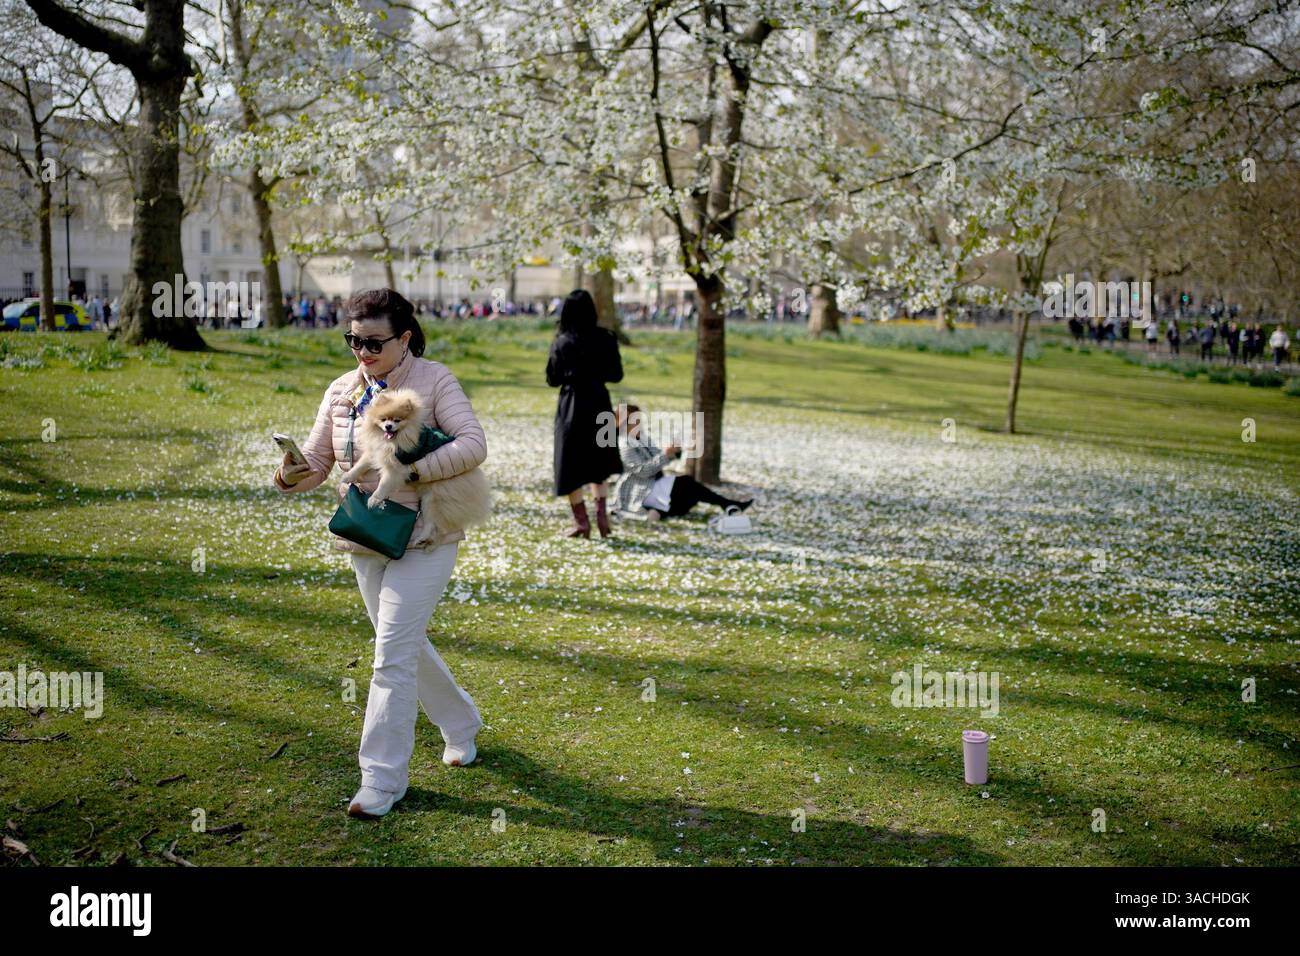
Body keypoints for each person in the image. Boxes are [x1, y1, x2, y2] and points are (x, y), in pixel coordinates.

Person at [271, 288, 486, 819]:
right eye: (353, 341)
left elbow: (473, 445)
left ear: (404, 338)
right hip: (367, 535)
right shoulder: (342, 390)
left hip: (426, 535)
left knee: (390, 652)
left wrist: (410, 472)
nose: (361, 353)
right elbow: (320, 463)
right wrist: (289, 474)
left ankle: (381, 780)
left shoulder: (434, 381)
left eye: (372, 343)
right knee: (403, 644)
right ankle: (461, 723)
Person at [546, 289, 624, 538]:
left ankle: (582, 522)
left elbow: (552, 379)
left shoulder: (562, 342)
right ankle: (602, 518)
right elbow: (616, 375)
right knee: (598, 463)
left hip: (572, 405)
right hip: (599, 402)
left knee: (570, 464)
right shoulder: (607, 338)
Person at [613, 404, 752, 521]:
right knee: (687, 484)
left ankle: (660, 512)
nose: (638, 423)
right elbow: (642, 471)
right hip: (640, 488)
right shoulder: (625, 444)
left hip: (654, 483)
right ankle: (727, 504)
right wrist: (665, 455)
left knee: (690, 496)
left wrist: (674, 452)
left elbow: (657, 458)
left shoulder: (641, 438)